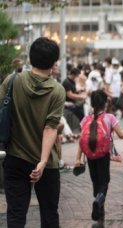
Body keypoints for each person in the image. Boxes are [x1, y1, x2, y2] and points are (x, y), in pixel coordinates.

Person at [0, 37, 65, 227]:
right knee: (49, 215)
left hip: (15, 158)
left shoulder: (12, 81)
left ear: (31, 57)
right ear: (54, 63)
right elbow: (50, 127)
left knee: (16, 215)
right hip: (47, 164)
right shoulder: (57, 91)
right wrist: (43, 161)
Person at [75, 90, 123, 223]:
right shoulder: (109, 118)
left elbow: (82, 140)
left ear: (92, 104)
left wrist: (78, 159)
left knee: (96, 181)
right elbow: (121, 134)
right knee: (104, 182)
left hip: (89, 155)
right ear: (105, 103)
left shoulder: (86, 119)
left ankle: (100, 209)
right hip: (103, 154)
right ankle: (99, 200)